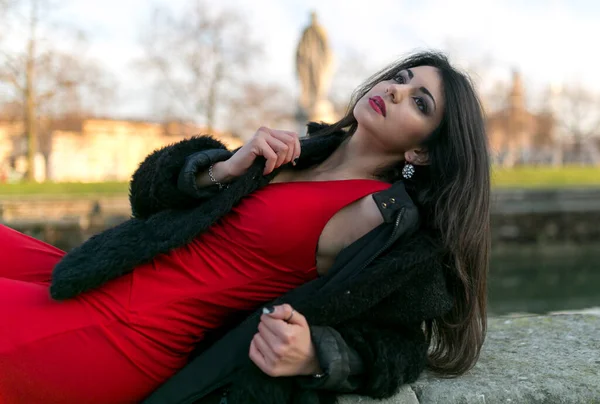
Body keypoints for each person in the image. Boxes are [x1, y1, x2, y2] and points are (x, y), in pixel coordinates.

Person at [0, 51, 490, 404]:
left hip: (131, 334)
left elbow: (402, 345)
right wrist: (224, 167)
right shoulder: (299, 149)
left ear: (421, 152)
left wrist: (317, 354)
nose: (396, 90)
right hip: (95, 274)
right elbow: (148, 198)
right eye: (401, 78)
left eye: (419, 102)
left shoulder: (380, 218)